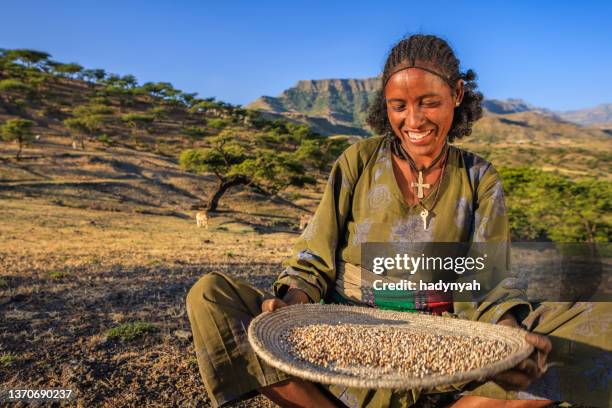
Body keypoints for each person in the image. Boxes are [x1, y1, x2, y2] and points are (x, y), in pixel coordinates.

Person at [186, 34, 609, 407]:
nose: (414, 120)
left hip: (449, 341)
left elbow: (489, 280)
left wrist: (506, 336)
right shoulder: (357, 161)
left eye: (429, 102)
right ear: (383, 106)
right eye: (399, 106)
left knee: (595, 322)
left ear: (457, 94)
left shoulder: (479, 176)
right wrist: (293, 307)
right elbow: (313, 257)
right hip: (347, 334)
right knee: (210, 296)